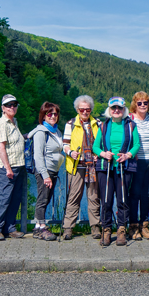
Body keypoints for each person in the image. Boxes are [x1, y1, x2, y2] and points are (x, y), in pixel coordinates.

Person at [93, 97, 140, 246]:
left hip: (123, 167)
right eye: (113, 108)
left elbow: (137, 144)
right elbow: (95, 147)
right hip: (105, 168)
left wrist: (127, 155)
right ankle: (106, 230)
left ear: (124, 109)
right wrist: (103, 154)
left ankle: (121, 230)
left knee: (123, 200)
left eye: (119, 108)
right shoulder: (103, 126)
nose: (116, 111)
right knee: (106, 201)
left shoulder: (131, 125)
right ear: (109, 110)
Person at [63, 95, 102, 240]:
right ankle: (68, 227)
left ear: (91, 109)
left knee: (93, 197)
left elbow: (102, 143)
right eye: (82, 109)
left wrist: (99, 154)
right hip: (76, 165)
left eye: (87, 109)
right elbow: (65, 144)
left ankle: (95, 226)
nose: (85, 112)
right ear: (77, 110)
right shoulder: (70, 124)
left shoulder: (98, 123)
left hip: (93, 166)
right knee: (74, 197)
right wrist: (70, 152)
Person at [0, 94, 27, 241]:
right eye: (8, 105)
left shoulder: (14, 122)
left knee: (15, 199)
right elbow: (0, 147)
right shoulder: (2, 123)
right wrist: (8, 168)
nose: (12, 107)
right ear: (3, 108)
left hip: (19, 165)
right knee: (4, 198)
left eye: (14, 104)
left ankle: (9, 227)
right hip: (7, 168)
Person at [27, 101, 65, 241]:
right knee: (42, 199)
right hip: (45, 171)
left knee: (46, 198)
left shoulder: (56, 131)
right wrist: (45, 175)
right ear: (43, 115)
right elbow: (38, 156)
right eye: (50, 113)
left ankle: (38, 227)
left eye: (55, 113)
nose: (53, 116)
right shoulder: (41, 132)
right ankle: (41, 227)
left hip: (53, 171)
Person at [128, 91, 149, 240]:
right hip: (136, 161)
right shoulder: (130, 118)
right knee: (134, 194)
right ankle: (133, 226)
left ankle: (144, 225)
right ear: (135, 104)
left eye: (145, 103)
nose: (142, 105)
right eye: (139, 103)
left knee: (146, 195)